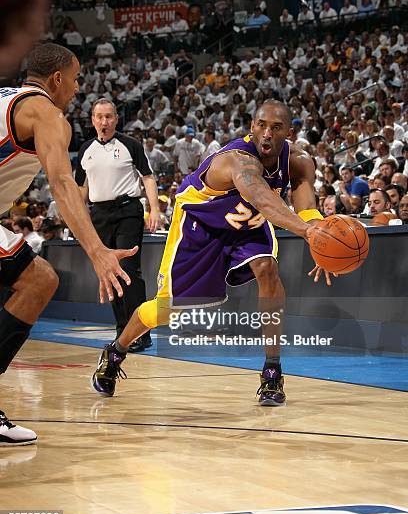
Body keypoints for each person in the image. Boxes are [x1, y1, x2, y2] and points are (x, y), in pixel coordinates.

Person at [92, 101, 334, 405]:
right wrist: (307, 232)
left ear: (290, 132)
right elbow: (261, 197)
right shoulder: (237, 160)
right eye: (261, 125)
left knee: (267, 268)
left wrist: (320, 239)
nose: (267, 133)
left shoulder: (298, 161)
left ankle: (272, 371)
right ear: (251, 126)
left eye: (276, 127)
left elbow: (307, 208)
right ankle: (116, 351)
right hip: (200, 223)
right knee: (165, 309)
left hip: (246, 223)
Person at [0, 43, 137, 445]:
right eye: (76, 79)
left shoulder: (5, 98)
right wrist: (97, 251)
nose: (78, 89)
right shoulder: (47, 114)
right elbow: (61, 183)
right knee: (39, 280)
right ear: (57, 79)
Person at [75, 99, 160, 353]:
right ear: (92, 120)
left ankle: (141, 334)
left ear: (116, 119)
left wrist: (154, 208)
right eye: (99, 117)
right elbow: (81, 188)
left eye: (109, 117)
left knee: (128, 269)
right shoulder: (85, 150)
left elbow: (147, 176)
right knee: (109, 273)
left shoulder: (130, 145)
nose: (104, 122)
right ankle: (123, 332)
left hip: (128, 211)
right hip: (99, 214)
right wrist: (79, 218)